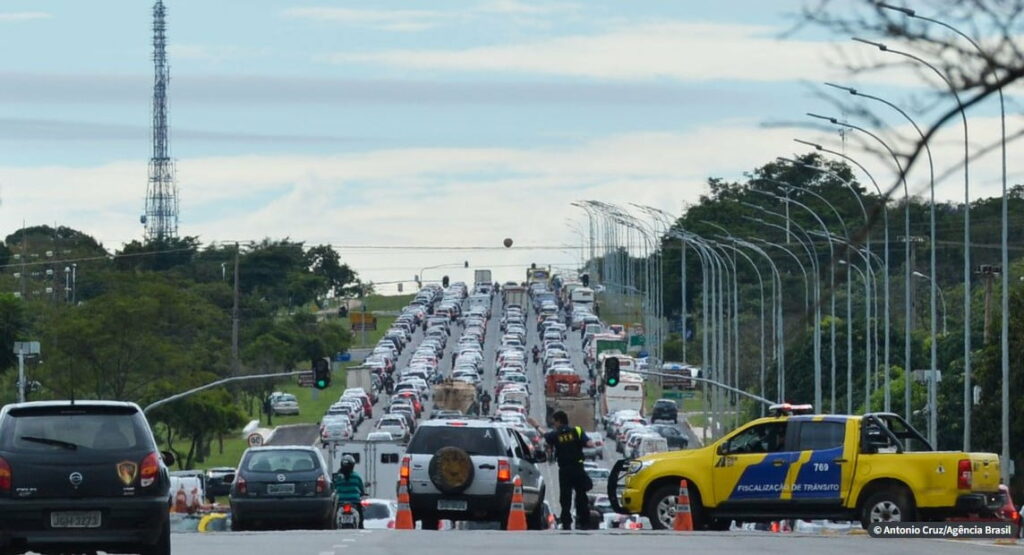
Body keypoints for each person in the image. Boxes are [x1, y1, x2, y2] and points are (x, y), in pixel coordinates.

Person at [544, 410, 594, 530]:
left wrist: (536, 425)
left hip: (565, 470)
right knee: (581, 495)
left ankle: (566, 522)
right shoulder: (577, 431)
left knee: (565, 497)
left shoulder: (556, 434)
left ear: (558, 421)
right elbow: (590, 443)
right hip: (578, 468)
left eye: (554, 422)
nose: (554, 425)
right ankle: (584, 521)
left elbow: (546, 437)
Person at [333, 455, 366, 528]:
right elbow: (361, 489)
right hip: (354, 501)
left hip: (340, 501)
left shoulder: (337, 476)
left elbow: (333, 487)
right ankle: (360, 526)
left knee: (333, 517)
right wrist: (362, 493)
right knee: (361, 519)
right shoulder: (357, 476)